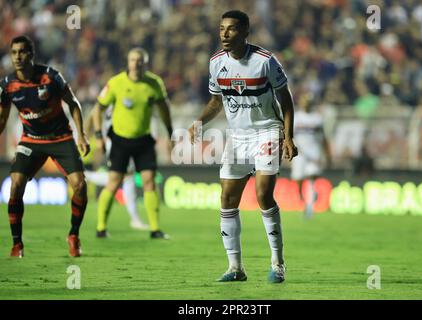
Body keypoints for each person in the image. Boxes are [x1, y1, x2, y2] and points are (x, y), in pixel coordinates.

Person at [188, 10, 298, 283]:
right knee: (227, 199)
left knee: (263, 194)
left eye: (232, 29)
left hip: (267, 131)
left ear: (245, 31)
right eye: (222, 28)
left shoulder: (265, 61)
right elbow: (216, 100)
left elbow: (286, 100)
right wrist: (200, 121)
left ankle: (278, 263)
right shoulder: (216, 63)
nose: (225, 34)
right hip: (237, 137)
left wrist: (288, 136)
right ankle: (235, 268)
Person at [0, 35, 90, 258]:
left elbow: (74, 103)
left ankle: (73, 235)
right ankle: (17, 244)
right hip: (31, 140)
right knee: (15, 185)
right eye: (14, 52)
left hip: (60, 138)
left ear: (31, 54)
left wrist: (82, 135)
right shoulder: (7, 85)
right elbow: (2, 120)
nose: (17, 57)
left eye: (22, 52)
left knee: (79, 186)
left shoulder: (51, 77)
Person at [93, 47, 173, 239]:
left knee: (149, 182)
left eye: (140, 60)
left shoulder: (154, 83)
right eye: (133, 60)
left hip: (144, 140)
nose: (136, 63)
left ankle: (155, 229)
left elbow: (164, 109)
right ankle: (101, 227)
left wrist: (170, 132)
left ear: (145, 63)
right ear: (127, 62)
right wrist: (98, 135)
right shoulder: (116, 83)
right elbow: (98, 109)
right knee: (113, 183)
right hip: (120, 140)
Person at [82, 107, 149, 230]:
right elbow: (94, 112)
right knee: (123, 175)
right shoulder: (115, 98)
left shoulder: (110, 101)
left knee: (124, 176)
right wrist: (92, 134)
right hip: (116, 142)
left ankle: (135, 219)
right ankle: (86, 176)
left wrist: (91, 133)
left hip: (118, 141)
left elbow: (94, 113)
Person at [291, 94, 331, 218]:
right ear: (301, 103)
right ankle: (303, 198)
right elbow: (289, 136)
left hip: (314, 152)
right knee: (299, 179)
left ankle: (309, 205)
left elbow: (324, 138)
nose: (306, 104)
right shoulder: (296, 118)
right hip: (299, 153)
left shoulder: (317, 118)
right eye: (304, 101)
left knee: (312, 177)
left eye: (308, 101)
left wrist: (328, 154)